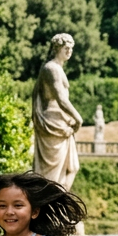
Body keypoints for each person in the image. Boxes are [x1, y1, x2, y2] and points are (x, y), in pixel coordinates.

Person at [32, 33, 83, 190]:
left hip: (61, 122)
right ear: (56, 48)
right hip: (53, 123)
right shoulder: (51, 68)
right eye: (66, 48)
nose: (69, 51)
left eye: (71, 48)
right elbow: (61, 99)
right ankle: (51, 203)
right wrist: (78, 117)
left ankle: (58, 202)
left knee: (72, 167)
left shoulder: (57, 68)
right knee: (52, 174)